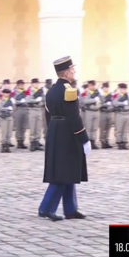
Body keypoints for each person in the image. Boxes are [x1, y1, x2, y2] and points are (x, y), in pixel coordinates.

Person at [38, 56, 89, 222]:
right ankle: (46, 208)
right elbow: (74, 117)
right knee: (61, 174)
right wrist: (84, 138)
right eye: (72, 70)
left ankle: (70, 208)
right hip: (67, 134)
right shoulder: (69, 91)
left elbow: (47, 115)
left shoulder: (51, 91)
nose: (74, 73)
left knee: (68, 171)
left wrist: (53, 131)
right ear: (66, 73)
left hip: (55, 131)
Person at [26, 78, 46, 151]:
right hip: (32, 110)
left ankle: (37, 142)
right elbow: (27, 100)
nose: (36, 84)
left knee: (38, 127)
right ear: (32, 84)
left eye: (37, 83)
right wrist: (35, 100)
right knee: (33, 127)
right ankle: (32, 143)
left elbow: (44, 99)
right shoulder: (29, 90)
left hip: (39, 109)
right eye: (35, 83)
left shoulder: (40, 91)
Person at [112, 83, 129, 150]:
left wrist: (128, 103)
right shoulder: (116, 95)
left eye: (125, 89)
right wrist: (123, 103)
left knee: (125, 130)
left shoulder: (128, 96)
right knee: (119, 129)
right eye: (123, 89)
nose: (124, 90)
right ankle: (119, 143)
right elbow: (114, 103)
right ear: (120, 89)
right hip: (120, 114)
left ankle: (124, 142)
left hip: (127, 113)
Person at [0, 88, 15, 153]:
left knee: (9, 132)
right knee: (4, 132)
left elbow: (14, 108)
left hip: (10, 117)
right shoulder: (0, 100)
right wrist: (6, 108)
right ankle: (3, 145)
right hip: (3, 117)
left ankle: (7, 145)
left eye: (8, 93)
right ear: (3, 93)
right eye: (5, 93)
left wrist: (12, 106)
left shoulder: (11, 100)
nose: (6, 94)